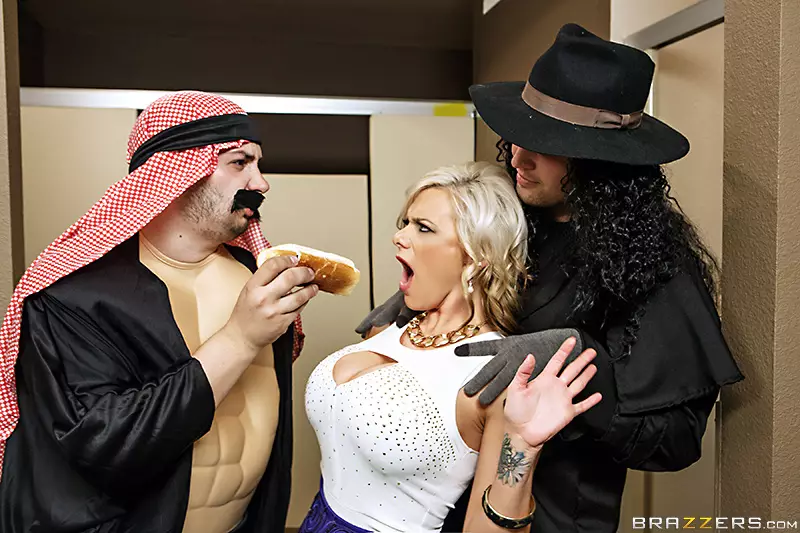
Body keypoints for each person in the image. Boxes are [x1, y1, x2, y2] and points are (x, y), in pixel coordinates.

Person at [357, 24, 744, 533]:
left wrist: (578, 356)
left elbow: (675, 441)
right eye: (519, 137)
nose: (517, 157)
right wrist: (424, 295)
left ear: (598, 162)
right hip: (449, 504)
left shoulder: (653, 265)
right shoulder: (517, 218)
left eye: (544, 146)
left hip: (554, 516)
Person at [0, 91, 320, 533]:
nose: (261, 183)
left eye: (258, 165)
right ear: (177, 172)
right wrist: (240, 338)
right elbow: (101, 445)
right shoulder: (73, 297)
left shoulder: (257, 276)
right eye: (239, 163)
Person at [301, 162, 603, 533]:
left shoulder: (495, 375)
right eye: (406, 223)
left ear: (476, 256)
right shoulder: (388, 324)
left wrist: (522, 448)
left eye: (423, 227)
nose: (399, 237)